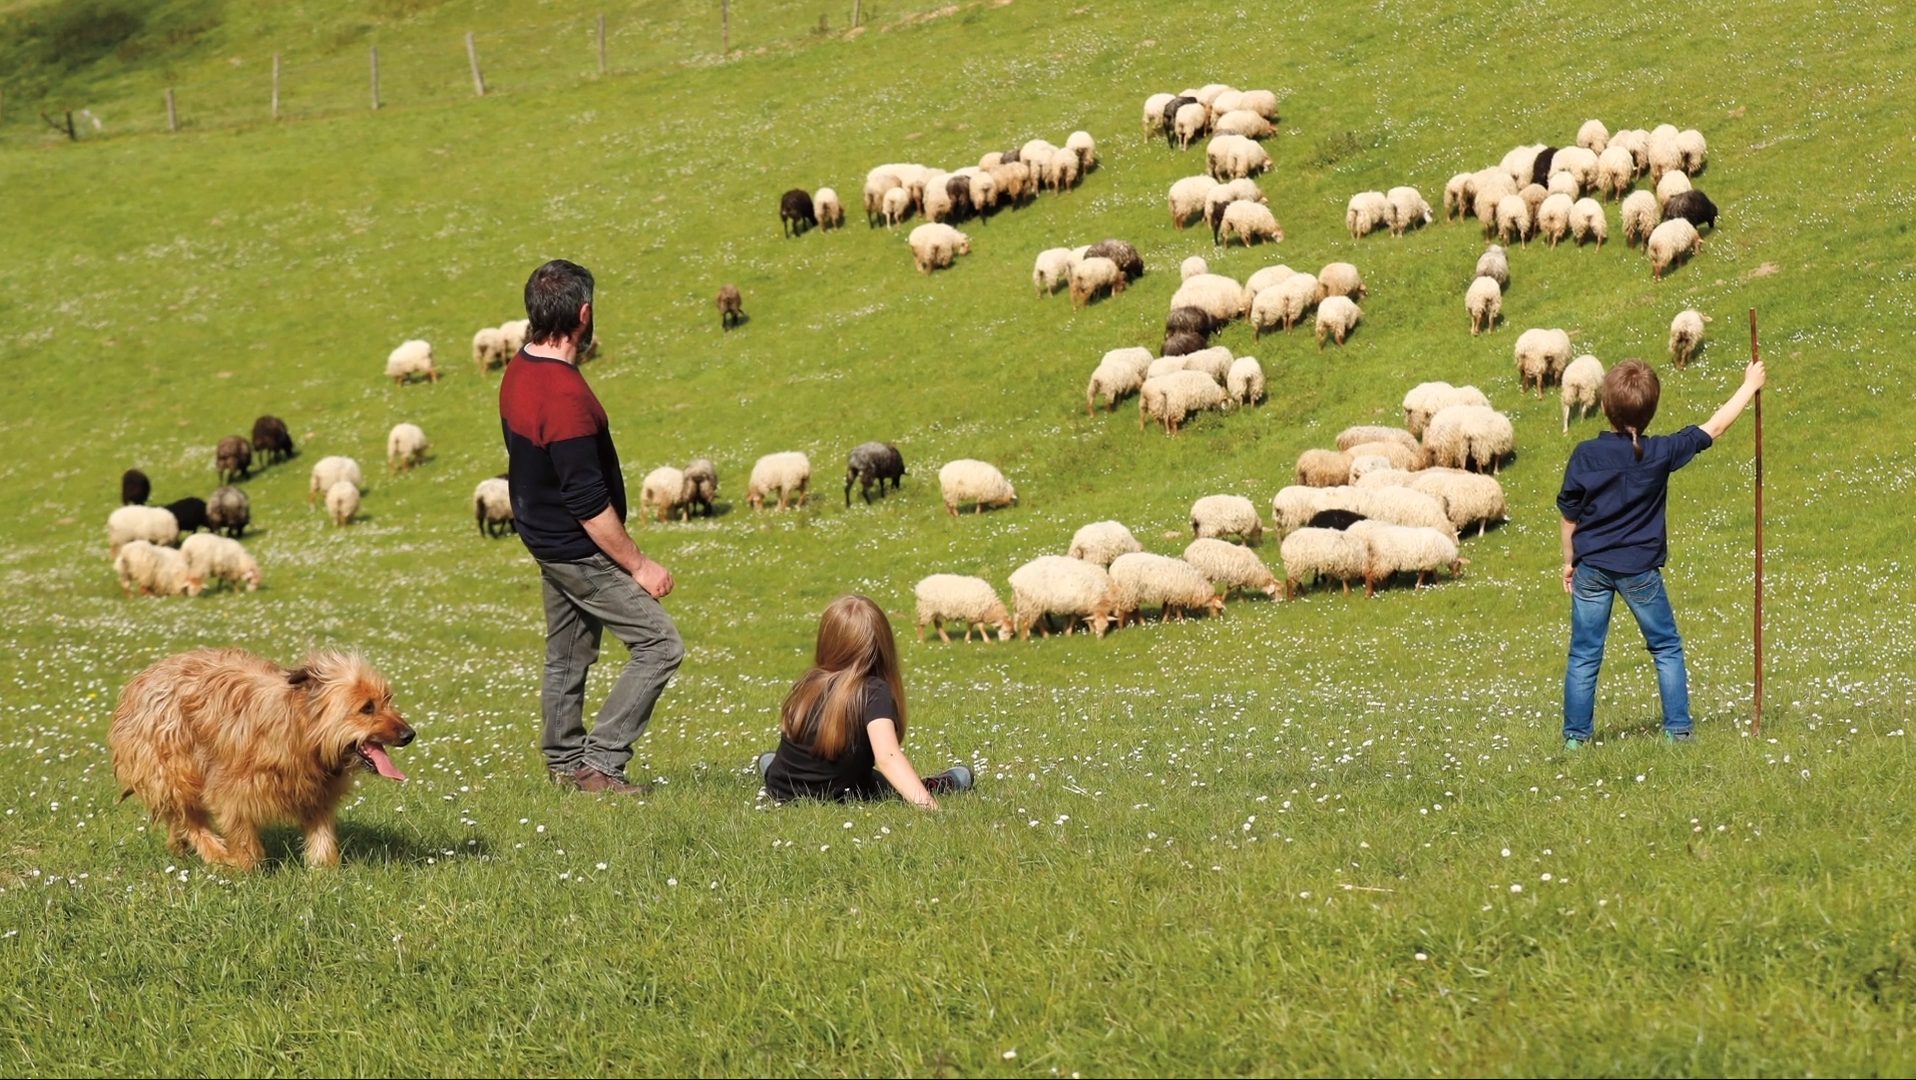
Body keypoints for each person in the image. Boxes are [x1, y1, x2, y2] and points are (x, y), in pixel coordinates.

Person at [499, 259, 683, 795]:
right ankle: (601, 764)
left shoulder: (520, 369)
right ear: (584, 314)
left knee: (569, 653)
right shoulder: (565, 398)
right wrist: (640, 565)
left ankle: (563, 761)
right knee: (660, 645)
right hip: (579, 550)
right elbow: (587, 503)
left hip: (544, 540)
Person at [1557, 356, 1766, 749]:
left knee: (1584, 654)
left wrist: (1569, 562)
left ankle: (1575, 740)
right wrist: (1749, 386)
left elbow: (1570, 516)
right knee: (1666, 646)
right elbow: (1715, 427)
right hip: (1640, 570)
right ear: (1652, 411)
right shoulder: (1660, 452)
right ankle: (1678, 731)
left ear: (1604, 407)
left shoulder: (1586, 455)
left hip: (1592, 567)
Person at [757, 595, 972, 809]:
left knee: (783, 762)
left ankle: (770, 765)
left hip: (781, 789)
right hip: (838, 792)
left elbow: (789, 736)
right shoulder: (873, 691)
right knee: (885, 785)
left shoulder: (808, 682)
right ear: (881, 646)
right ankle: (935, 786)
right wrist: (930, 808)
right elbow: (888, 758)